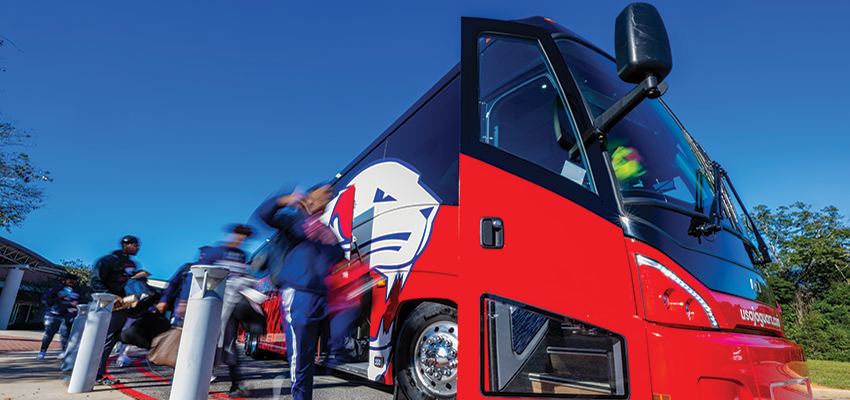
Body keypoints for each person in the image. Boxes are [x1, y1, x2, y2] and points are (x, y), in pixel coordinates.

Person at [257, 183, 344, 400]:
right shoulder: (295, 220)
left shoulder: (330, 233)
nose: (328, 195)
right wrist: (285, 200)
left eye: (330, 194)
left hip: (323, 299)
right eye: (324, 192)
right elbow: (264, 215)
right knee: (301, 356)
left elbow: (340, 263)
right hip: (299, 295)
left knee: (313, 356)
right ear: (311, 196)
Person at [201, 224, 254, 398]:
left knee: (229, 343)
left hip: (231, 306)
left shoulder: (242, 255)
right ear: (232, 234)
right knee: (208, 342)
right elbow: (201, 275)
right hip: (213, 304)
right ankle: (199, 379)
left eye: (244, 238)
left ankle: (236, 384)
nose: (241, 240)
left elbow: (241, 277)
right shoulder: (215, 252)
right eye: (239, 235)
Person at [90, 235, 140, 386]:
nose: (137, 248)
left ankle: (98, 372)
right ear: (125, 245)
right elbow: (96, 281)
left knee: (110, 339)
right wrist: (111, 295)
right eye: (135, 245)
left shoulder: (132, 264)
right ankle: (92, 373)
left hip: (123, 306)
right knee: (99, 338)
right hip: (106, 305)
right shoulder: (107, 261)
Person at [155, 246, 213, 324]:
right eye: (202, 253)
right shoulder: (188, 267)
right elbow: (172, 284)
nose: (203, 255)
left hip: (205, 309)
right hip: (180, 307)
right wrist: (164, 300)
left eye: (207, 254)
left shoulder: (216, 270)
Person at [37, 275, 80, 360]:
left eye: (74, 280)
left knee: (65, 334)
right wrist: (67, 303)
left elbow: (80, 302)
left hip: (67, 316)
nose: (72, 281)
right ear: (64, 280)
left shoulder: (78, 290)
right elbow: (47, 300)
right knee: (49, 334)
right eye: (70, 279)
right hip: (53, 314)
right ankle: (42, 351)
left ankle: (64, 351)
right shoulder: (56, 289)